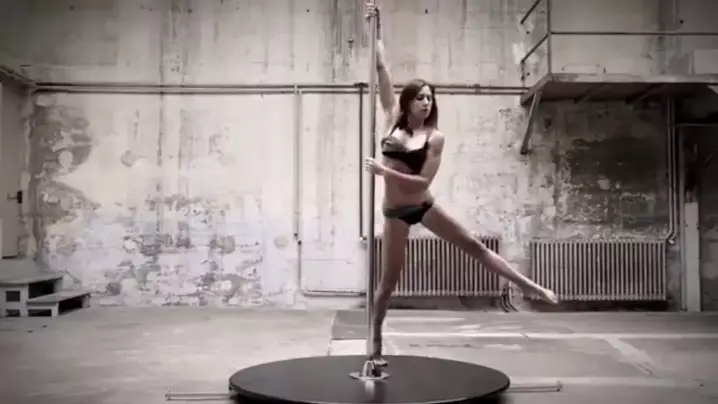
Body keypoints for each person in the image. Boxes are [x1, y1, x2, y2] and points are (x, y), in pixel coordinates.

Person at [362, 2, 559, 366]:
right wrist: (376, 22)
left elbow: (421, 181)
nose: (427, 102)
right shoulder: (391, 117)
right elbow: (380, 66)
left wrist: (384, 172)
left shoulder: (434, 137)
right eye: (421, 97)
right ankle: (374, 343)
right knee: (388, 283)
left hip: (422, 204)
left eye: (430, 98)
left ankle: (529, 285)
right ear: (408, 101)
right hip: (394, 213)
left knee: (473, 245)